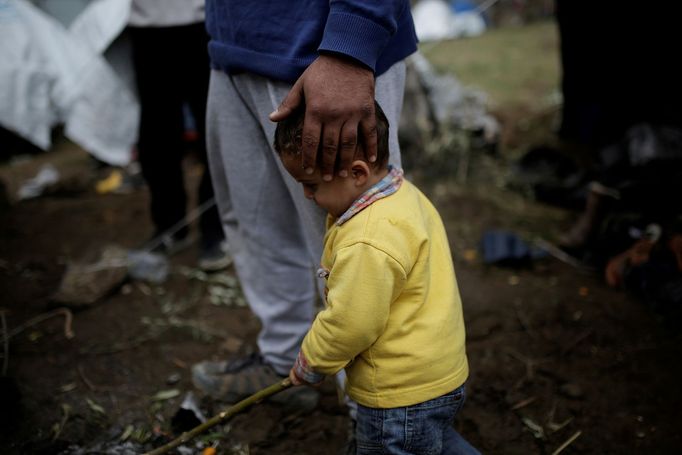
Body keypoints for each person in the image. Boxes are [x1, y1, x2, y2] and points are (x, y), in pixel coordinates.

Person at [192, 1, 419, 412]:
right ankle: (283, 356)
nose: (307, 193)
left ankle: (389, 411)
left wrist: (352, 43)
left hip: (325, 55)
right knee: (256, 222)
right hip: (233, 45)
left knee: (362, 244)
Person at [276, 101, 478, 454]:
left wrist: (312, 360)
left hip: (397, 396)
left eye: (310, 185)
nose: (307, 195)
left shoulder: (366, 238)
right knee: (434, 443)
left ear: (356, 173)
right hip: (438, 376)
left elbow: (351, 322)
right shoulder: (404, 195)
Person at [128, 0, 229, 271]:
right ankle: (170, 225)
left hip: (202, 24)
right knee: (156, 137)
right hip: (145, 28)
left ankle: (216, 227)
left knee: (213, 128)